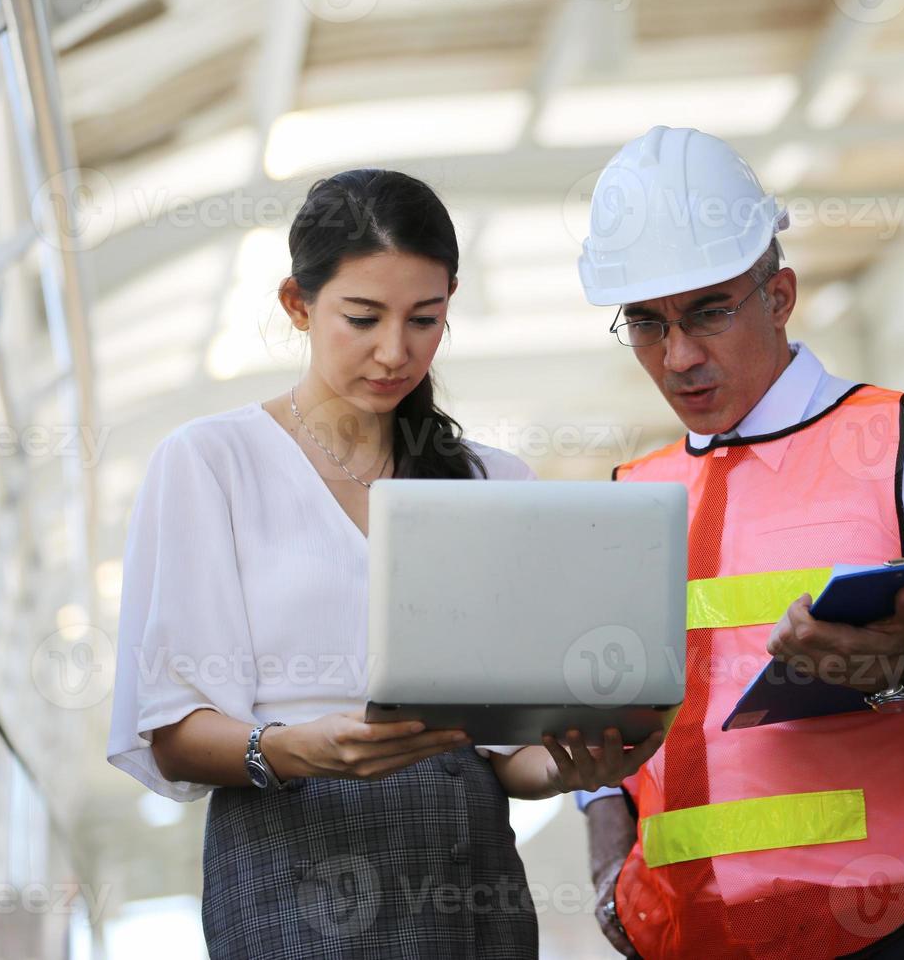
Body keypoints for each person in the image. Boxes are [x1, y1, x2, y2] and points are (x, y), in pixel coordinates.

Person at [106, 169, 662, 960]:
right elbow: (170, 731)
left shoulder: (493, 482)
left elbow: (509, 757)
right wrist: (295, 748)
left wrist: (572, 767)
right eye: (361, 318)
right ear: (297, 304)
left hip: (468, 869)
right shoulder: (212, 463)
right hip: (292, 856)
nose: (395, 351)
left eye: (424, 319)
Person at [573, 127, 904, 960]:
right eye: (645, 324)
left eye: (709, 312)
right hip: (676, 942)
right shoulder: (632, 495)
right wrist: (607, 862)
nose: (677, 357)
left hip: (874, 940)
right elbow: (601, 719)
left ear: (779, 294)